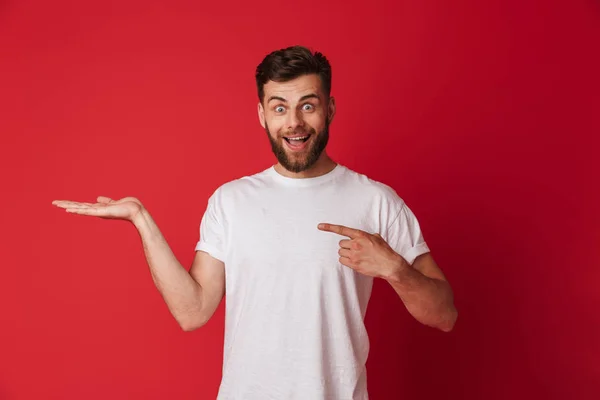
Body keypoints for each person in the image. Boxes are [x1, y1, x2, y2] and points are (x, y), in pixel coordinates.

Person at [52, 45, 458, 400]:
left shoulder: (375, 201)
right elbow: (192, 311)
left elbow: (444, 315)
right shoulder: (231, 201)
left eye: (308, 105)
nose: (294, 122)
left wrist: (393, 268)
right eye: (279, 107)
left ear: (329, 109)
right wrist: (141, 220)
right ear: (262, 114)